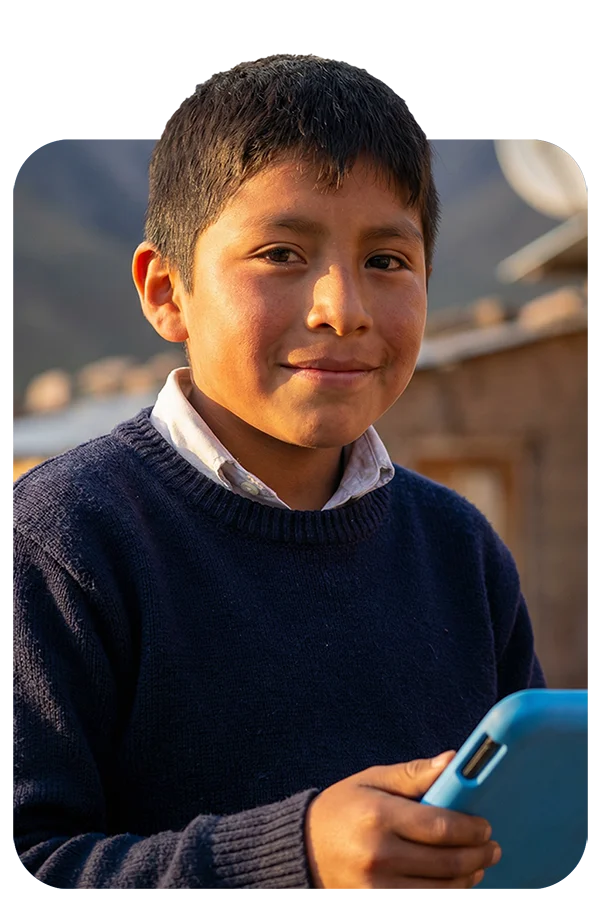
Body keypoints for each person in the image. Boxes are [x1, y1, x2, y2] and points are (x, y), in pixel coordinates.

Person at [11, 55, 545, 892]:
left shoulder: (458, 549)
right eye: (281, 253)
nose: (344, 307)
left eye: (388, 261)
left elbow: (520, 836)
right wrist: (294, 858)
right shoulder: (61, 541)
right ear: (168, 292)